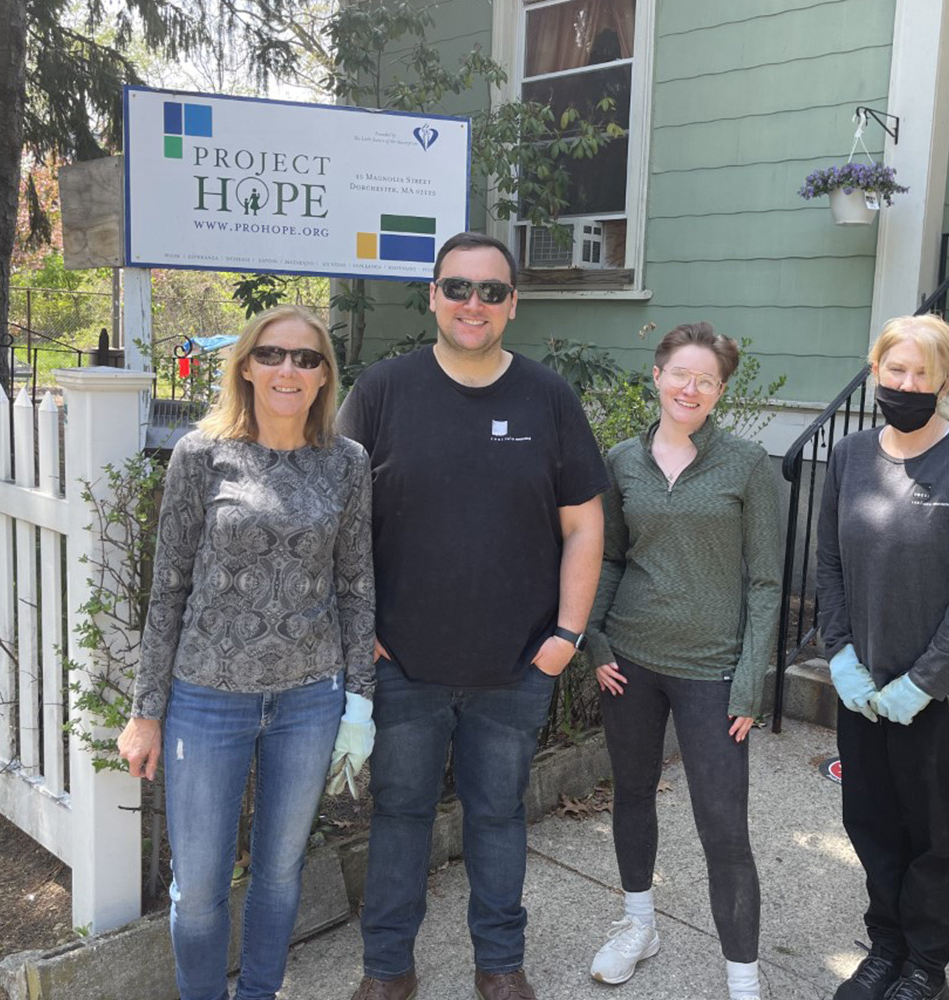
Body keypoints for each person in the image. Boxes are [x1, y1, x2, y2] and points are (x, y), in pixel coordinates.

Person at [337, 232, 609, 1000]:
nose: (473, 304)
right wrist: (365, 634)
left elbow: (584, 523)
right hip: (404, 666)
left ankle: (500, 965)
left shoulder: (547, 397)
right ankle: (387, 969)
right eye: (457, 288)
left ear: (513, 305)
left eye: (492, 292)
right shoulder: (382, 391)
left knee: (499, 820)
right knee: (399, 821)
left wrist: (566, 636)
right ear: (432, 295)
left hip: (516, 665)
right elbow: (341, 522)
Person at [116, 304, 377, 1000]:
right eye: (272, 355)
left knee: (281, 870)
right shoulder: (201, 455)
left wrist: (359, 704)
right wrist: (147, 712)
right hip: (206, 698)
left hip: (309, 701)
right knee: (198, 886)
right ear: (246, 366)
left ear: (325, 376)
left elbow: (355, 586)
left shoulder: (347, 464)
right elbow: (167, 589)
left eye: (306, 358)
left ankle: (259, 992)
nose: (288, 370)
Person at [816, 315, 949, 1000]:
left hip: (947, 693)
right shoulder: (848, 457)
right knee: (869, 821)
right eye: (893, 370)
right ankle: (887, 947)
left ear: (945, 380)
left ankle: (927, 967)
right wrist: (839, 653)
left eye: (920, 373)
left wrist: (924, 681)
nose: (905, 384)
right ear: (875, 372)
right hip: (863, 686)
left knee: (934, 834)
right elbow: (830, 564)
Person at [585, 323, 783, 1000]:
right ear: (657, 375)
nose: (690, 388)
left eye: (706, 380)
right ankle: (639, 924)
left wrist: (749, 680)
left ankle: (743, 977)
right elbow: (608, 557)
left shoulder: (748, 465)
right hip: (631, 661)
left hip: (712, 670)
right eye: (680, 374)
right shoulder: (621, 461)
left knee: (723, 825)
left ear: (720, 391)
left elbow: (764, 582)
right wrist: (595, 640)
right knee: (633, 795)